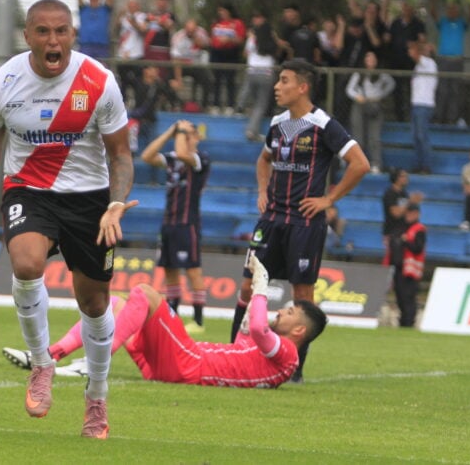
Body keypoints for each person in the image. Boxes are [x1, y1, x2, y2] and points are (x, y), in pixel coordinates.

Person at [0, 0, 135, 439]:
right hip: (30, 191)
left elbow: (120, 154)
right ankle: (42, 363)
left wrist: (116, 203)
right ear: (27, 36)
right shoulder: (0, 84)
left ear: (72, 36)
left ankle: (97, 398)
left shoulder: (98, 81)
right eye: (43, 31)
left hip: (90, 200)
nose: (53, 40)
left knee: (95, 303)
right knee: (26, 264)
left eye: (61, 31)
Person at [228, 58, 369, 383]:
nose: (277, 86)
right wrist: (263, 190)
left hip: (305, 222)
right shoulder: (277, 123)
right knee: (248, 286)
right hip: (271, 218)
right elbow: (264, 160)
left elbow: (360, 163)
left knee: (302, 295)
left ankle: (294, 368)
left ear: (302, 87)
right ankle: (235, 352)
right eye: (279, 80)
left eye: (284, 80)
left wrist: (329, 200)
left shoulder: (324, 125)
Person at [3, 257, 326, 389]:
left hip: (189, 362)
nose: (281, 312)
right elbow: (248, 333)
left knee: (144, 292)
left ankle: (93, 361)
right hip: (175, 364)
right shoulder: (274, 358)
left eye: (290, 312)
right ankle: (49, 355)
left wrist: (261, 287)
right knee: (114, 305)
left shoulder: (286, 352)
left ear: (299, 331)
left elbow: (257, 328)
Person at [139, 119, 211, 333]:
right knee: (170, 269)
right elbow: (147, 156)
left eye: (188, 134)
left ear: (197, 137)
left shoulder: (200, 159)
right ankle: (173, 316)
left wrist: (180, 132)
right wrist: (170, 131)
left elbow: (182, 153)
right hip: (168, 222)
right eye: (183, 135)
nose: (185, 138)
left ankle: (198, 321)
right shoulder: (172, 159)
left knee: (192, 270)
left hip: (187, 223)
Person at [345, 50, 395, 174]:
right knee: (358, 135)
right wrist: (358, 97)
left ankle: (376, 163)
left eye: (373, 59)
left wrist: (381, 95)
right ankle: (358, 163)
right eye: (368, 58)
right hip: (360, 103)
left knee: (374, 136)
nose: (370, 61)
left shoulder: (381, 74)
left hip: (374, 104)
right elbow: (349, 89)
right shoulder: (359, 74)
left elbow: (391, 83)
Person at [236, 8, 278, 142]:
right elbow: (276, 51)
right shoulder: (271, 37)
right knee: (261, 104)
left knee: (253, 98)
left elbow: (245, 54)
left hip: (253, 71)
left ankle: (240, 105)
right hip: (266, 72)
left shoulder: (252, 38)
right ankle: (251, 130)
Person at [431, 0, 470, 125]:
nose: (451, 11)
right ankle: (438, 118)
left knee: (455, 91)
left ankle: (452, 119)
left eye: (454, 9)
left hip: (457, 60)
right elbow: (433, 12)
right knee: (442, 90)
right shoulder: (443, 22)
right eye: (449, 9)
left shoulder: (461, 23)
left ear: (457, 11)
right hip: (443, 60)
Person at [385, 203, 426, 328]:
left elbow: (418, 248)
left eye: (412, 213)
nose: (409, 215)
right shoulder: (400, 228)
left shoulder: (419, 229)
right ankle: (403, 321)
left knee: (408, 297)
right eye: (408, 213)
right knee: (400, 296)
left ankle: (409, 322)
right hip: (398, 267)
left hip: (410, 270)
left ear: (417, 214)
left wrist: (406, 241)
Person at [388, 1, 426, 122]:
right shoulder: (395, 24)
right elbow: (389, 39)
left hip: (411, 64)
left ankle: (411, 117)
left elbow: (423, 41)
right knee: (397, 91)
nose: (407, 9)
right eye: (405, 7)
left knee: (411, 91)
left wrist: (414, 44)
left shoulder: (418, 24)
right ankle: (399, 117)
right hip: (396, 62)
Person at [207, 3, 246, 114]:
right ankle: (215, 104)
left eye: (223, 11)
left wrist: (229, 40)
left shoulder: (237, 23)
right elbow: (212, 39)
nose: (221, 13)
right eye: (220, 11)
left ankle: (230, 105)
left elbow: (240, 39)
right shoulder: (216, 24)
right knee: (216, 80)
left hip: (231, 54)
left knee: (230, 80)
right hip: (217, 54)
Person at [169, 18, 211, 110]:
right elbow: (176, 59)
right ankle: (176, 104)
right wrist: (178, 79)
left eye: (193, 30)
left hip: (196, 65)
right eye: (189, 31)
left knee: (208, 79)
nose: (190, 33)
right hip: (182, 64)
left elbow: (206, 46)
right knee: (168, 79)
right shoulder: (178, 37)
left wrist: (196, 40)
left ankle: (204, 106)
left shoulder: (201, 33)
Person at [409, 40, 438, 174]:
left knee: (422, 136)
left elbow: (415, 53)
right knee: (416, 136)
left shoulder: (429, 63)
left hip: (424, 104)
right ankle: (418, 164)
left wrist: (416, 44)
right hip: (416, 104)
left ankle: (426, 166)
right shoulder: (418, 67)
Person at [114, 0, 148, 105]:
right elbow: (117, 27)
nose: (131, 8)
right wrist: (120, 15)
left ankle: (138, 105)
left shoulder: (142, 16)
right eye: (130, 5)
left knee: (138, 82)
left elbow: (143, 30)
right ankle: (122, 104)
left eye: (134, 5)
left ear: (138, 6)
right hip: (123, 54)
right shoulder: (124, 16)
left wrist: (133, 21)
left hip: (136, 54)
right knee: (122, 81)